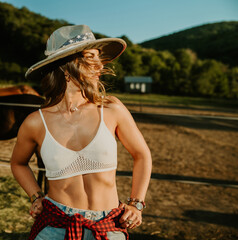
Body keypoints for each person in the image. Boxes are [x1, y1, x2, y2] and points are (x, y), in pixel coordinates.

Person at [10, 25, 152, 240]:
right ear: (67, 67)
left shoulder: (111, 109)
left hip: (109, 225)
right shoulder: (35, 122)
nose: (101, 65)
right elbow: (18, 163)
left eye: (99, 58)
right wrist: (36, 196)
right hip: (55, 225)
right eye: (90, 57)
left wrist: (137, 203)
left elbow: (142, 155)